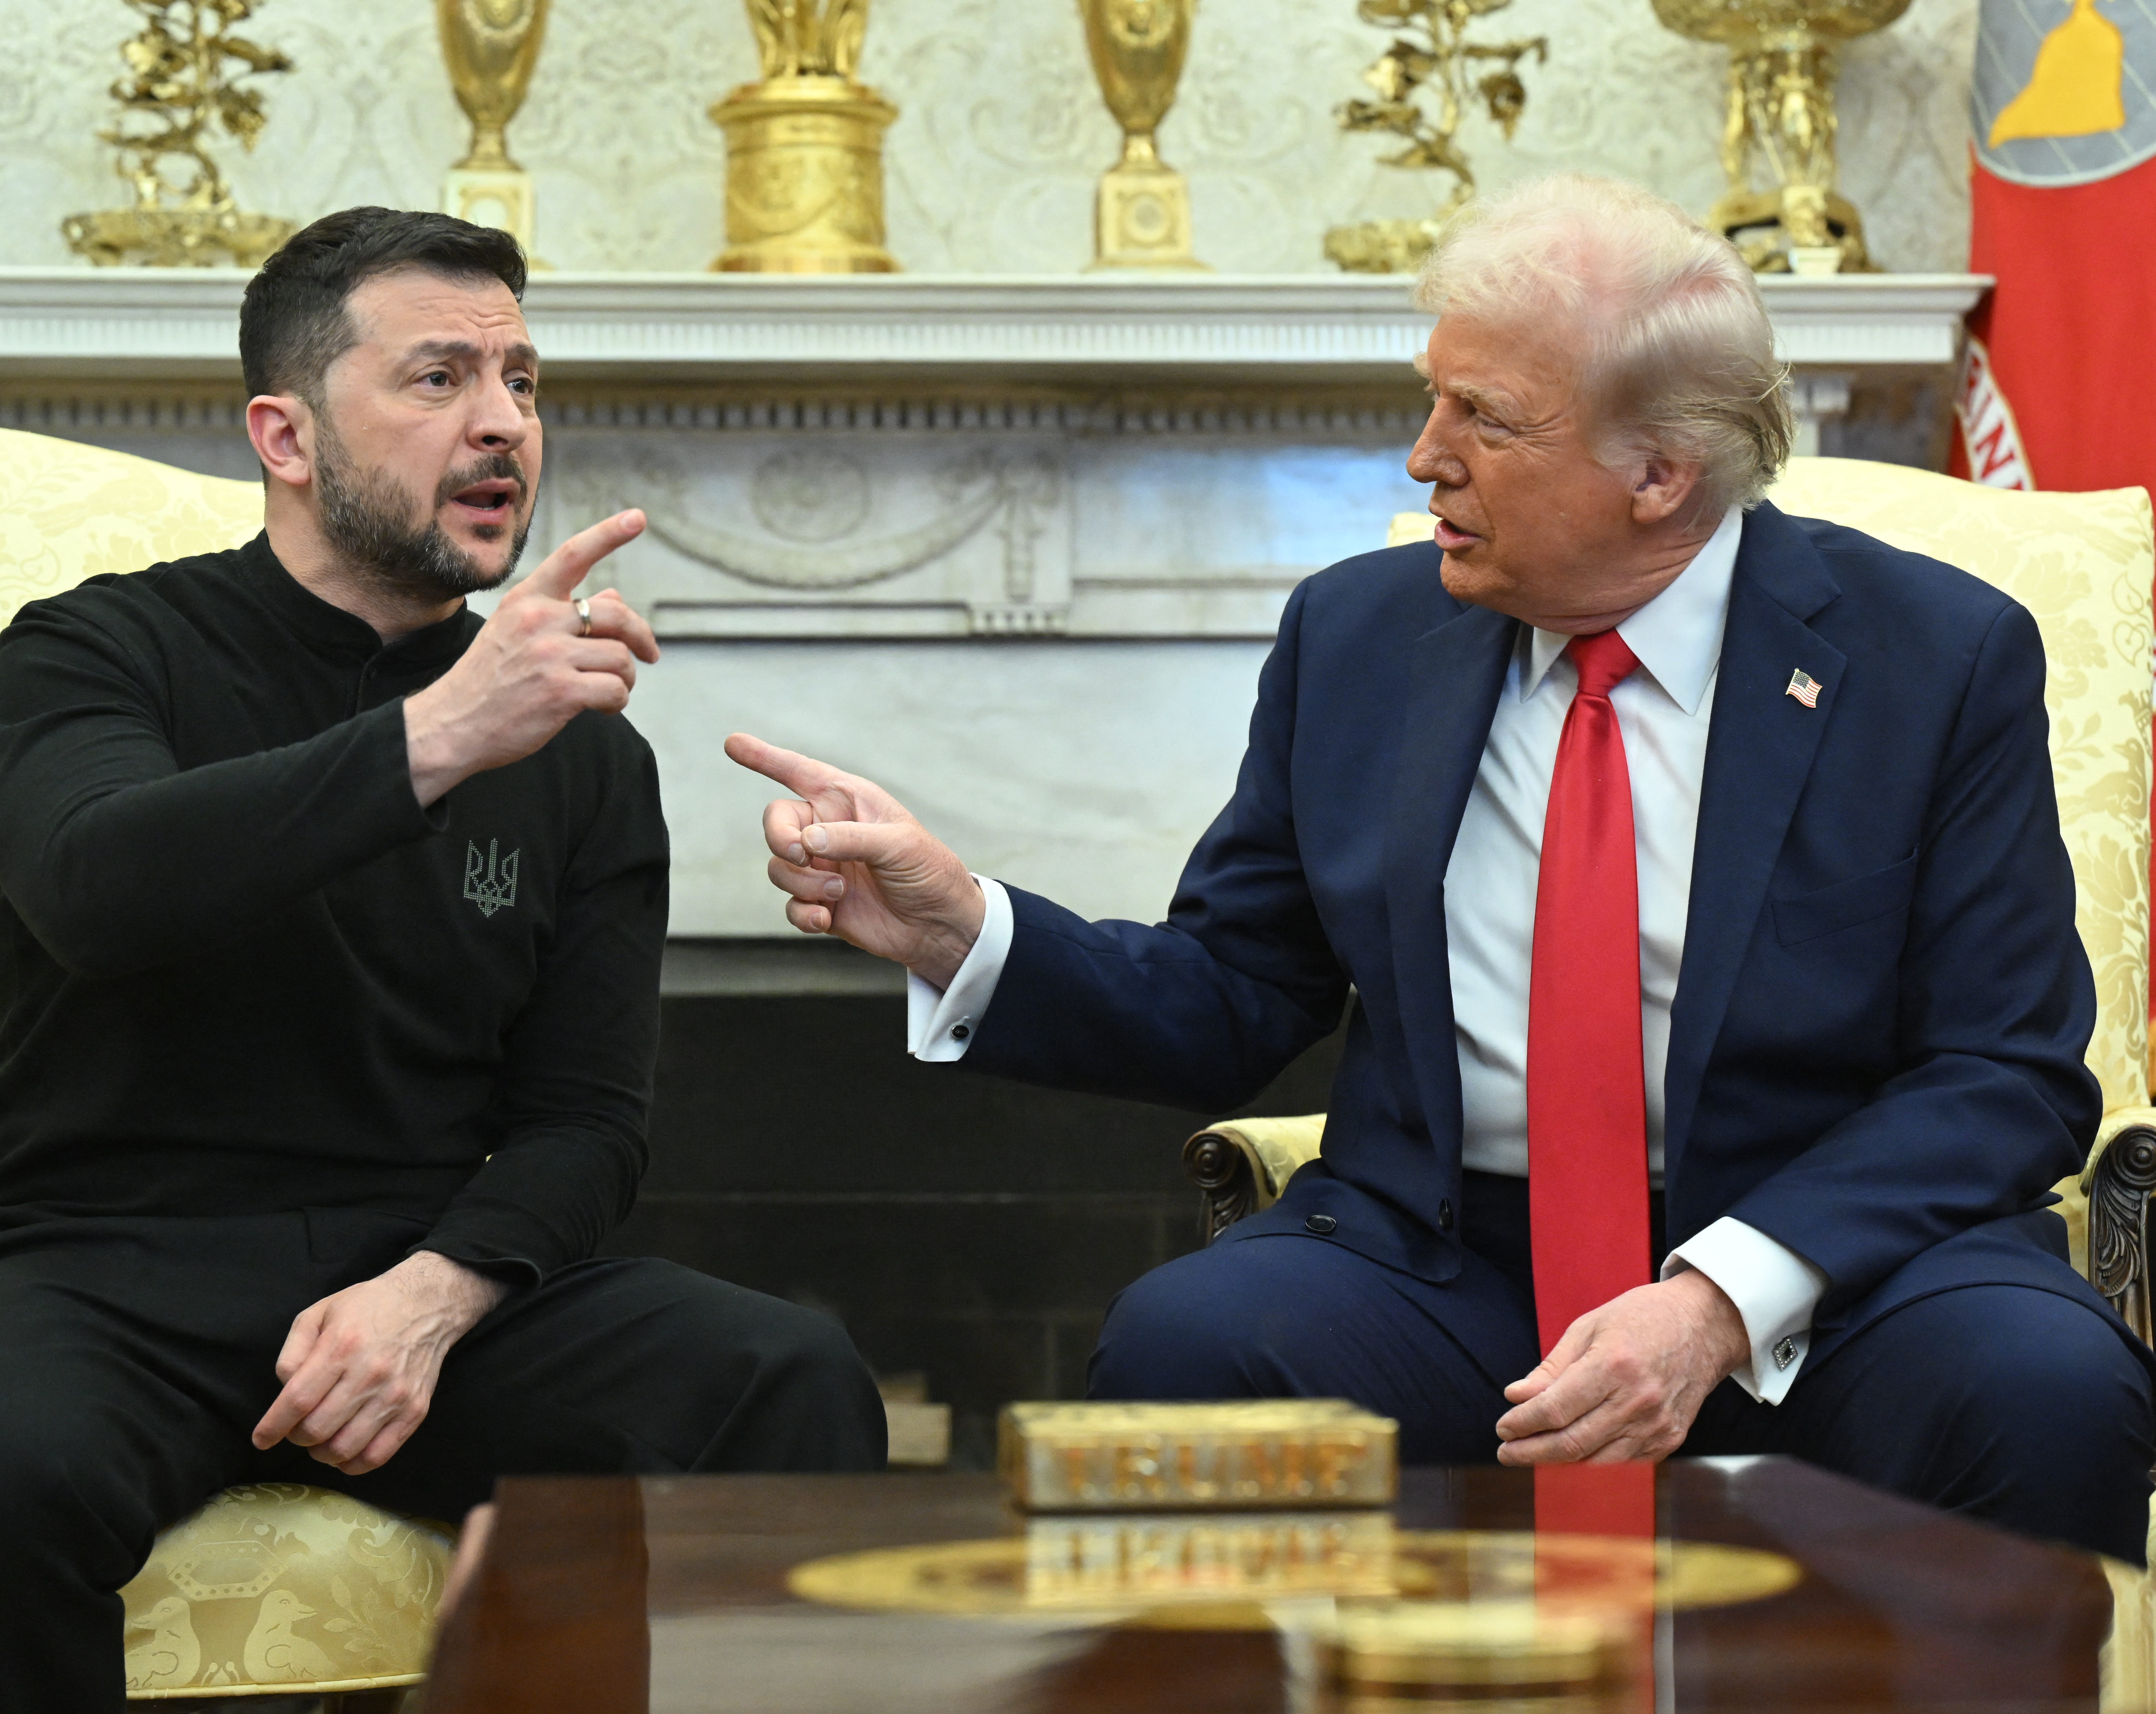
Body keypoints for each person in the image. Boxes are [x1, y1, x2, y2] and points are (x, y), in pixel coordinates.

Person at [727, 173, 2156, 1563]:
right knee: (1187, 1345)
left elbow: (2003, 1071)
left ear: (1656, 472)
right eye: (1433, 398)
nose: (1421, 458)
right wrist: (958, 927)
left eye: (1483, 418)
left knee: (2038, 1385)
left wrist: (1719, 1294)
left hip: (1835, 1265)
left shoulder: (1932, 655)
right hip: (1450, 1258)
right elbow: (1235, 986)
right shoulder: (1355, 637)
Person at [0, 206, 885, 1714]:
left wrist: (433, 1294)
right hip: (102, 1263)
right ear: (285, 432)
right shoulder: (96, 647)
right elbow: (97, 884)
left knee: (785, 1373)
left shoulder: (580, 751)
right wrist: (440, 732)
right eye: (439, 375)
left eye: (522, 378)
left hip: (420, 1282)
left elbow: (584, 1123)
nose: (502, 421)